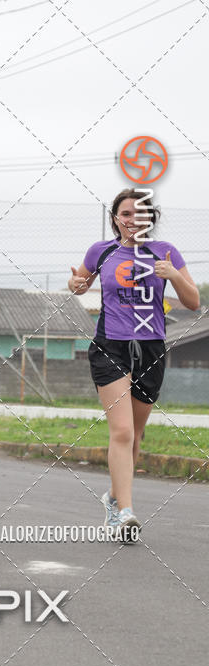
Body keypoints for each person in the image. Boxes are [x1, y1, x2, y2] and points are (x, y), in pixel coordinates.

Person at [68, 188, 199, 538]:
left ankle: (113, 497)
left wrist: (173, 275)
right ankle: (125, 513)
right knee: (123, 432)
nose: (132, 220)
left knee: (136, 436)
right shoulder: (101, 251)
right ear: (116, 219)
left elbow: (193, 302)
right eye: (126, 214)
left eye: (140, 214)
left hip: (151, 347)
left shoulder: (165, 251)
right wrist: (75, 282)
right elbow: (79, 284)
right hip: (111, 346)